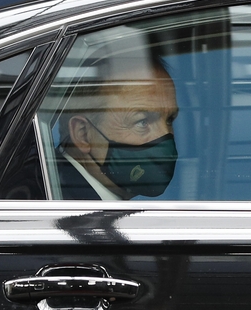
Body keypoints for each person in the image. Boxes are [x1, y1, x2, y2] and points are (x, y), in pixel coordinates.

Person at [55, 51, 179, 200]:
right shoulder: (67, 213)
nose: (165, 137)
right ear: (83, 134)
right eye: (143, 122)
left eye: (169, 120)